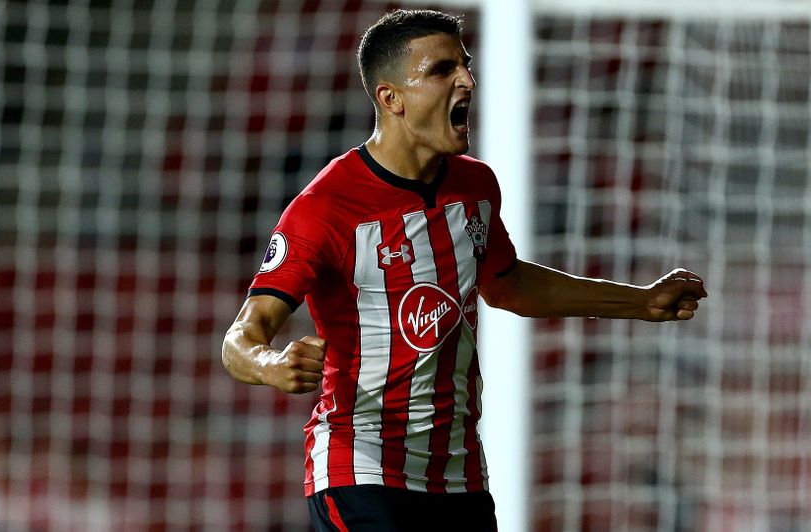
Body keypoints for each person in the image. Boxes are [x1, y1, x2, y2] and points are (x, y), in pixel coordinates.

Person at [221, 9, 707, 531]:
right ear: (391, 99)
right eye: (442, 70)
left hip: (459, 474)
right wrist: (270, 365)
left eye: (466, 65)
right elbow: (241, 338)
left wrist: (640, 302)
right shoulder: (326, 207)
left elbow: (509, 284)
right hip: (359, 464)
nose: (467, 80)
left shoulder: (475, 187)